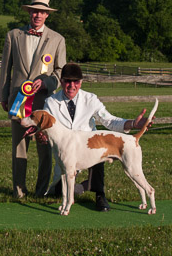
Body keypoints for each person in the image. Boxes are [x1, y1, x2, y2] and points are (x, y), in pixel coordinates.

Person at [42, 63, 151, 211]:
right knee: (61, 190)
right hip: (67, 154)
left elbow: (110, 121)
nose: (72, 85)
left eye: (76, 82)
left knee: (100, 151)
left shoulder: (90, 99)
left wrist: (132, 124)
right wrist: (42, 136)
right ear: (61, 81)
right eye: (68, 81)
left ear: (81, 82)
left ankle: (99, 194)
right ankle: (83, 187)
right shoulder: (51, 102)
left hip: (89, 148)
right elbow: (45, 127)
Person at [0, 0, 66, 198]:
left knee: (44, 150)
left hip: (45, 104)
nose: (38, 15)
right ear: (29, 12)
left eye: (42, 12)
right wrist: (4, 95)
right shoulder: (13, 36)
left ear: (47, 15)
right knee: (19, 148)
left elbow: (60, 71)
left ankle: (41, 190)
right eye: (35, 11)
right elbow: (5, 69)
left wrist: (45, 82)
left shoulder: (57, 39)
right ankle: (19, 190)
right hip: (18, 102)